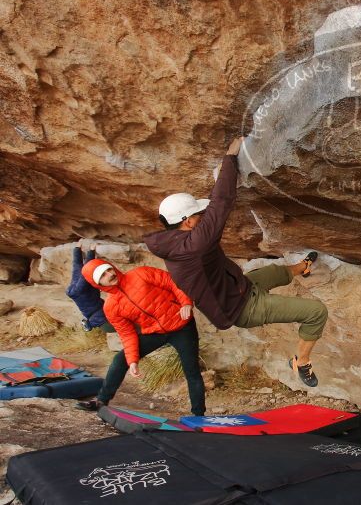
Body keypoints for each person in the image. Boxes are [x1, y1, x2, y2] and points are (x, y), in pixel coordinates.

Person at [144, 137, 326, 388]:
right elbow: (220, 206)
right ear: (187, 221)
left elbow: (209, 212)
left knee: (274, 271)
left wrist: (221, 179)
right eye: (197, 215)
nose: (202, 217)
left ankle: (302, 268)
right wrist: (230, 158)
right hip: (242, 308)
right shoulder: (194, 246)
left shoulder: (176, 240)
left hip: (239, 287)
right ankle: (301, 361)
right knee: (316, 312)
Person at [75, 258, 205, 416]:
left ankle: (198, 416)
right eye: (103, 275)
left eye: (109, 269)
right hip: (155, 332)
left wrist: (185, 303)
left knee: (191, 370)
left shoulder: (140, 274)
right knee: (120, 360)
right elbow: (127, 334)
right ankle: (101, 400)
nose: (110, 274)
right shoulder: (111, 307)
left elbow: (173, 282)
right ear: (98, 284)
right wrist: (133, 361)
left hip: (182, 325)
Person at [65, 243, 114, 333]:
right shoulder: (81, 287)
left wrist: (78, 249)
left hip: (97, 312)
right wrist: (90, 251)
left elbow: (78, 264)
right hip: (103, 318)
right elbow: (86, 270)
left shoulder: (78, 286)